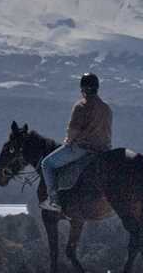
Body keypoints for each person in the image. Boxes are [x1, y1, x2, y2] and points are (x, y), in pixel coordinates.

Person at [39, 73, 112, 212]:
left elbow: (73, 131)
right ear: (97, 88)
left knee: (46, 164)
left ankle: (54, 200)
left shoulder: (81, 106)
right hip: (104, 150)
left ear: (83, 88)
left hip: (83, 148)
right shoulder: (106, 108)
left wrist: (67, 142)